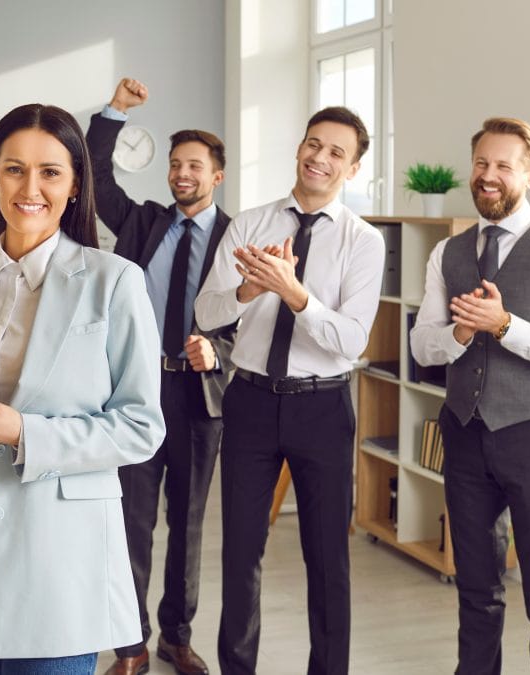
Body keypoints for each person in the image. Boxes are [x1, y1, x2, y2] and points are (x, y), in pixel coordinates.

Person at [0, 103, 166, 675]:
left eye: (50, 172)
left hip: (57, 550)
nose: (30, 188)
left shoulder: (114, 280)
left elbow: (142, 427)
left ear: (74, 186)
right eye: (14, 169)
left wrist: (24, 432)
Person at [194, 107, 384, 675]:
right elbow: (206, 312)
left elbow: (350, 340)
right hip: (249, 400)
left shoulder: (363, 241)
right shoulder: (250, 223)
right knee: (240, 554)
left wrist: (296, 295)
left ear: (351, 169)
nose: (319, 158)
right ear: (299, 147)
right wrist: (249, 290)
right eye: (313, 144)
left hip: (323, 405)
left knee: (327, 559)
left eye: (335, 153)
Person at [409, 118, 530, 675]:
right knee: (476, 591)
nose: (487, 176)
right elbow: (424, 345)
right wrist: (460, 334)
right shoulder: (447, 252)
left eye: (503, 167)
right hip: (465, 435)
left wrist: (505, 324)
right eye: (481, 164)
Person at [85, 77, 235, 675]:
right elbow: (95, 174)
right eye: (175, 165)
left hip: (199, 396)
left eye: (193, 166)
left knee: (188, 524)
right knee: (132, 520)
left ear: (215, 176)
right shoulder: (143, 222)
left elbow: (253, 314)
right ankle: (131, 643)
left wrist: (218, 351)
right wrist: (115, 111)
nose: (181, 174)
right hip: (138, 389)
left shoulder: (235, 237)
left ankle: (177, 635)